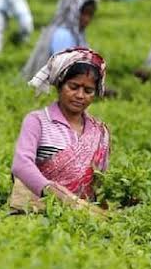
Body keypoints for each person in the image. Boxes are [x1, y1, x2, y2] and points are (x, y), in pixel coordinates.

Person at [10, 48, 110, 213]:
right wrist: (55, 194)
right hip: (39, 211)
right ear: (59, 85)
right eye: (73, 86)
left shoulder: (99, 131)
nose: (80, 95)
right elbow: (21, 165)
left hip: (85, 216)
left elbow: (101, 181)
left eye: (88, 91)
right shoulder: (37, 121)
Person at [21, 0, 101, 79]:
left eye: (90, 14)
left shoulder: (77, 34)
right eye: (83, 13)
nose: (87, 19)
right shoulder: (63, 35)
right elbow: (66, 72)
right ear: (73, 10)